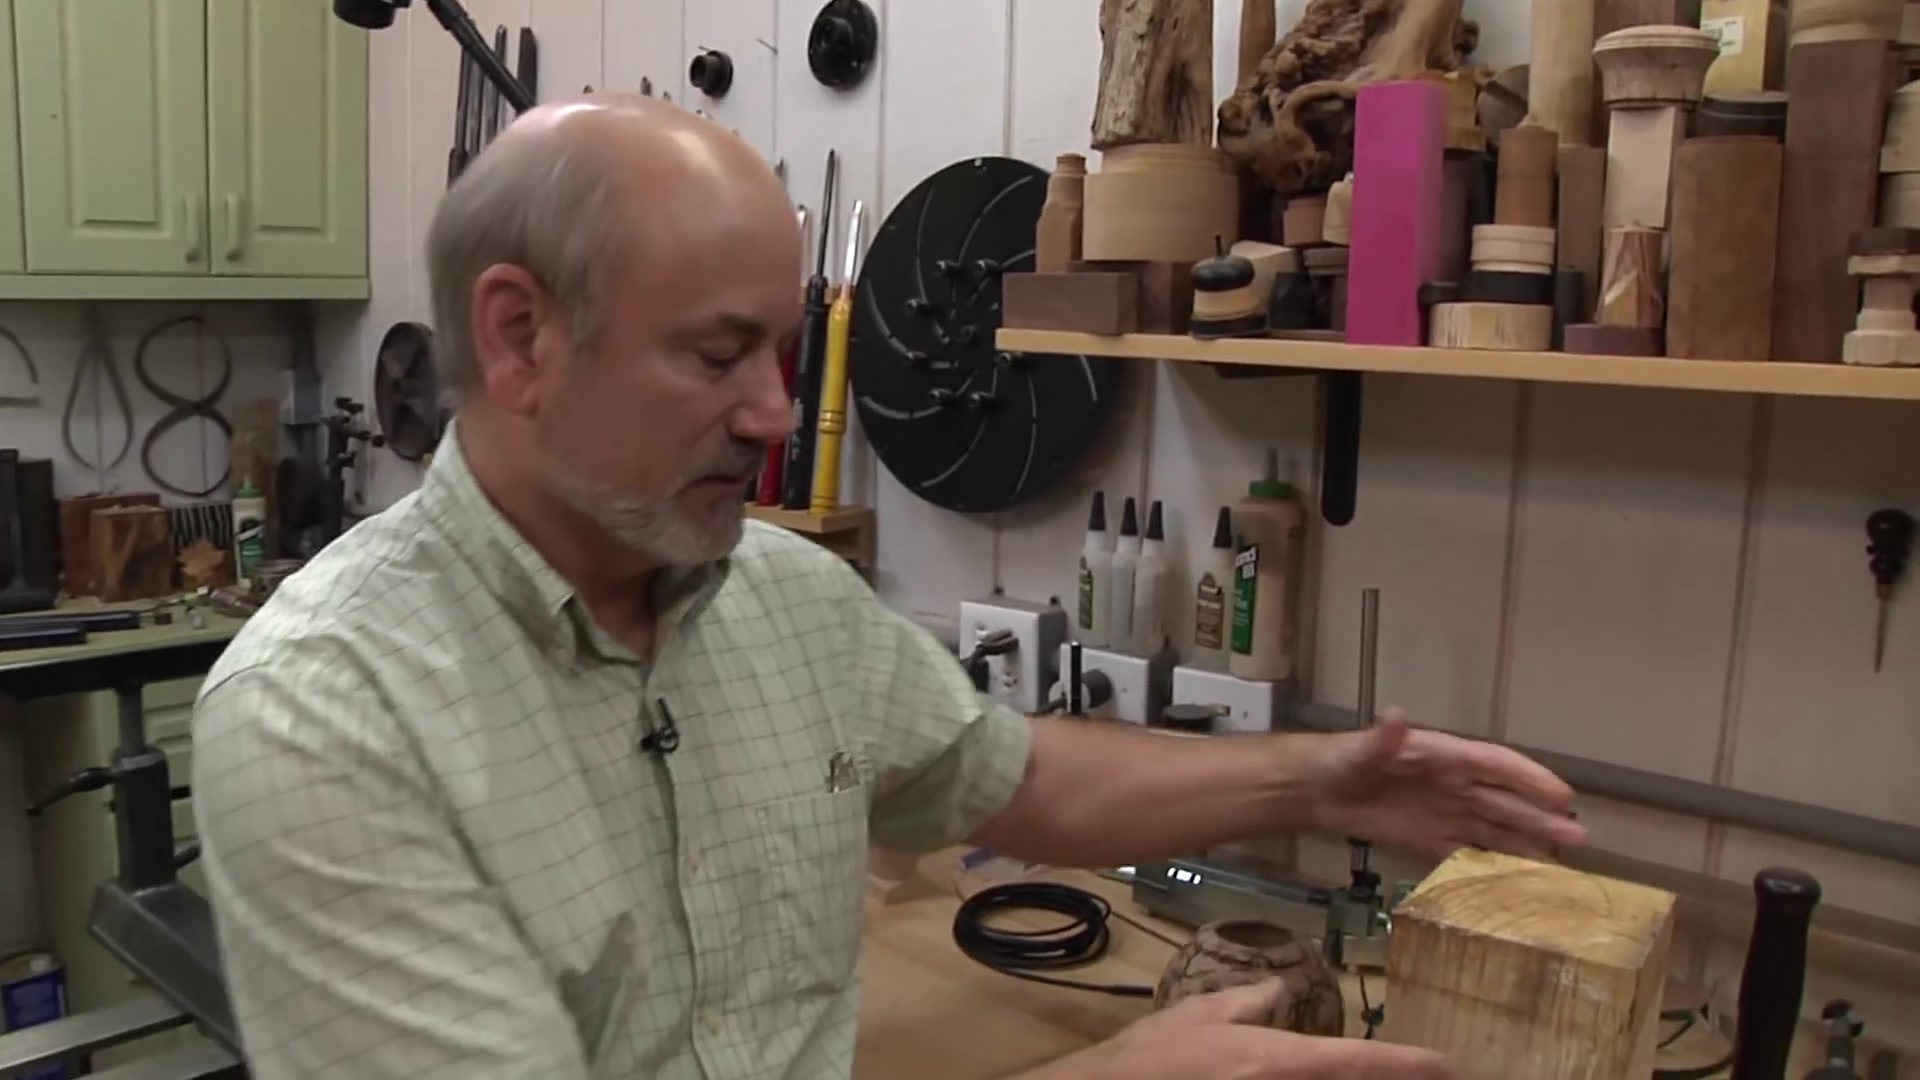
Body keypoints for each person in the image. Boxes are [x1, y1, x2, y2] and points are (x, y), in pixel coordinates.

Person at [191, 95, 1587, 1080]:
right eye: (719, 353)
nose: (772, 414)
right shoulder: (330, 716)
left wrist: (1319, 781)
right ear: (519, 336)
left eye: (786, 356)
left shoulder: (784, 601)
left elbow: (1013, 779)